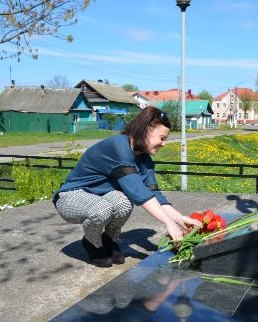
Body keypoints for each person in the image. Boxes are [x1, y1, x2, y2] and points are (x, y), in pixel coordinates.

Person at [53, 106, 201, 268]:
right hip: (71, 196)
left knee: (123, 202)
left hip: (99, 195)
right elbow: (137, 192)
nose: (164, 144)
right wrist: (168, 223)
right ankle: (92, 243)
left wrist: (179, 219)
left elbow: (152, 193)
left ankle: (109, 240)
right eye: (162, 138)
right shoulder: (118, 146)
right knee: (102, 209)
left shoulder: (144, 159)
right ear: (145, 130)